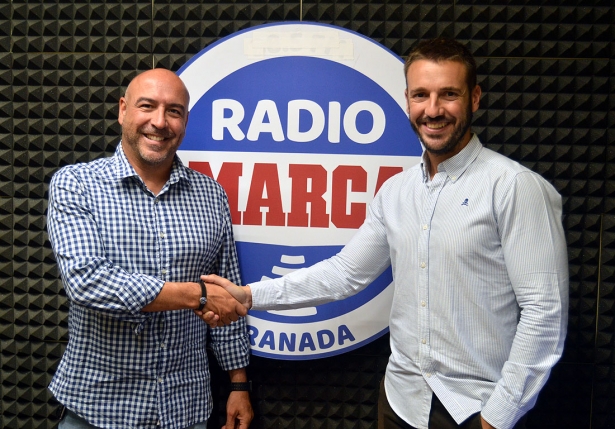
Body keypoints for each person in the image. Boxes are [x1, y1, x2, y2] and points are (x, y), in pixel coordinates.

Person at [201, 38, 569, 429]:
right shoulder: (396, 191)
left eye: (449, 95)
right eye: (421, 95)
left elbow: (545, 313)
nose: (433, 110)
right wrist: (249, 295)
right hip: (400, 403)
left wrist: (499, 416)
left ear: (474, 98)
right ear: (407, 100)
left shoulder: (515, 187)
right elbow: (344, 273)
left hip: (476, 409)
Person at [47, 68, 253, 429]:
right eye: (147, 106)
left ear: (185, 121)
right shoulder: (76, 184)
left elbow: (227, 294)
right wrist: (197, 295)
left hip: (184, 409)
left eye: (173, 111)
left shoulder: (211, 195)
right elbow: (86, 281)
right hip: (97, 409)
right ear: (123, 110)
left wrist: (239, 382)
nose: (159, 122)